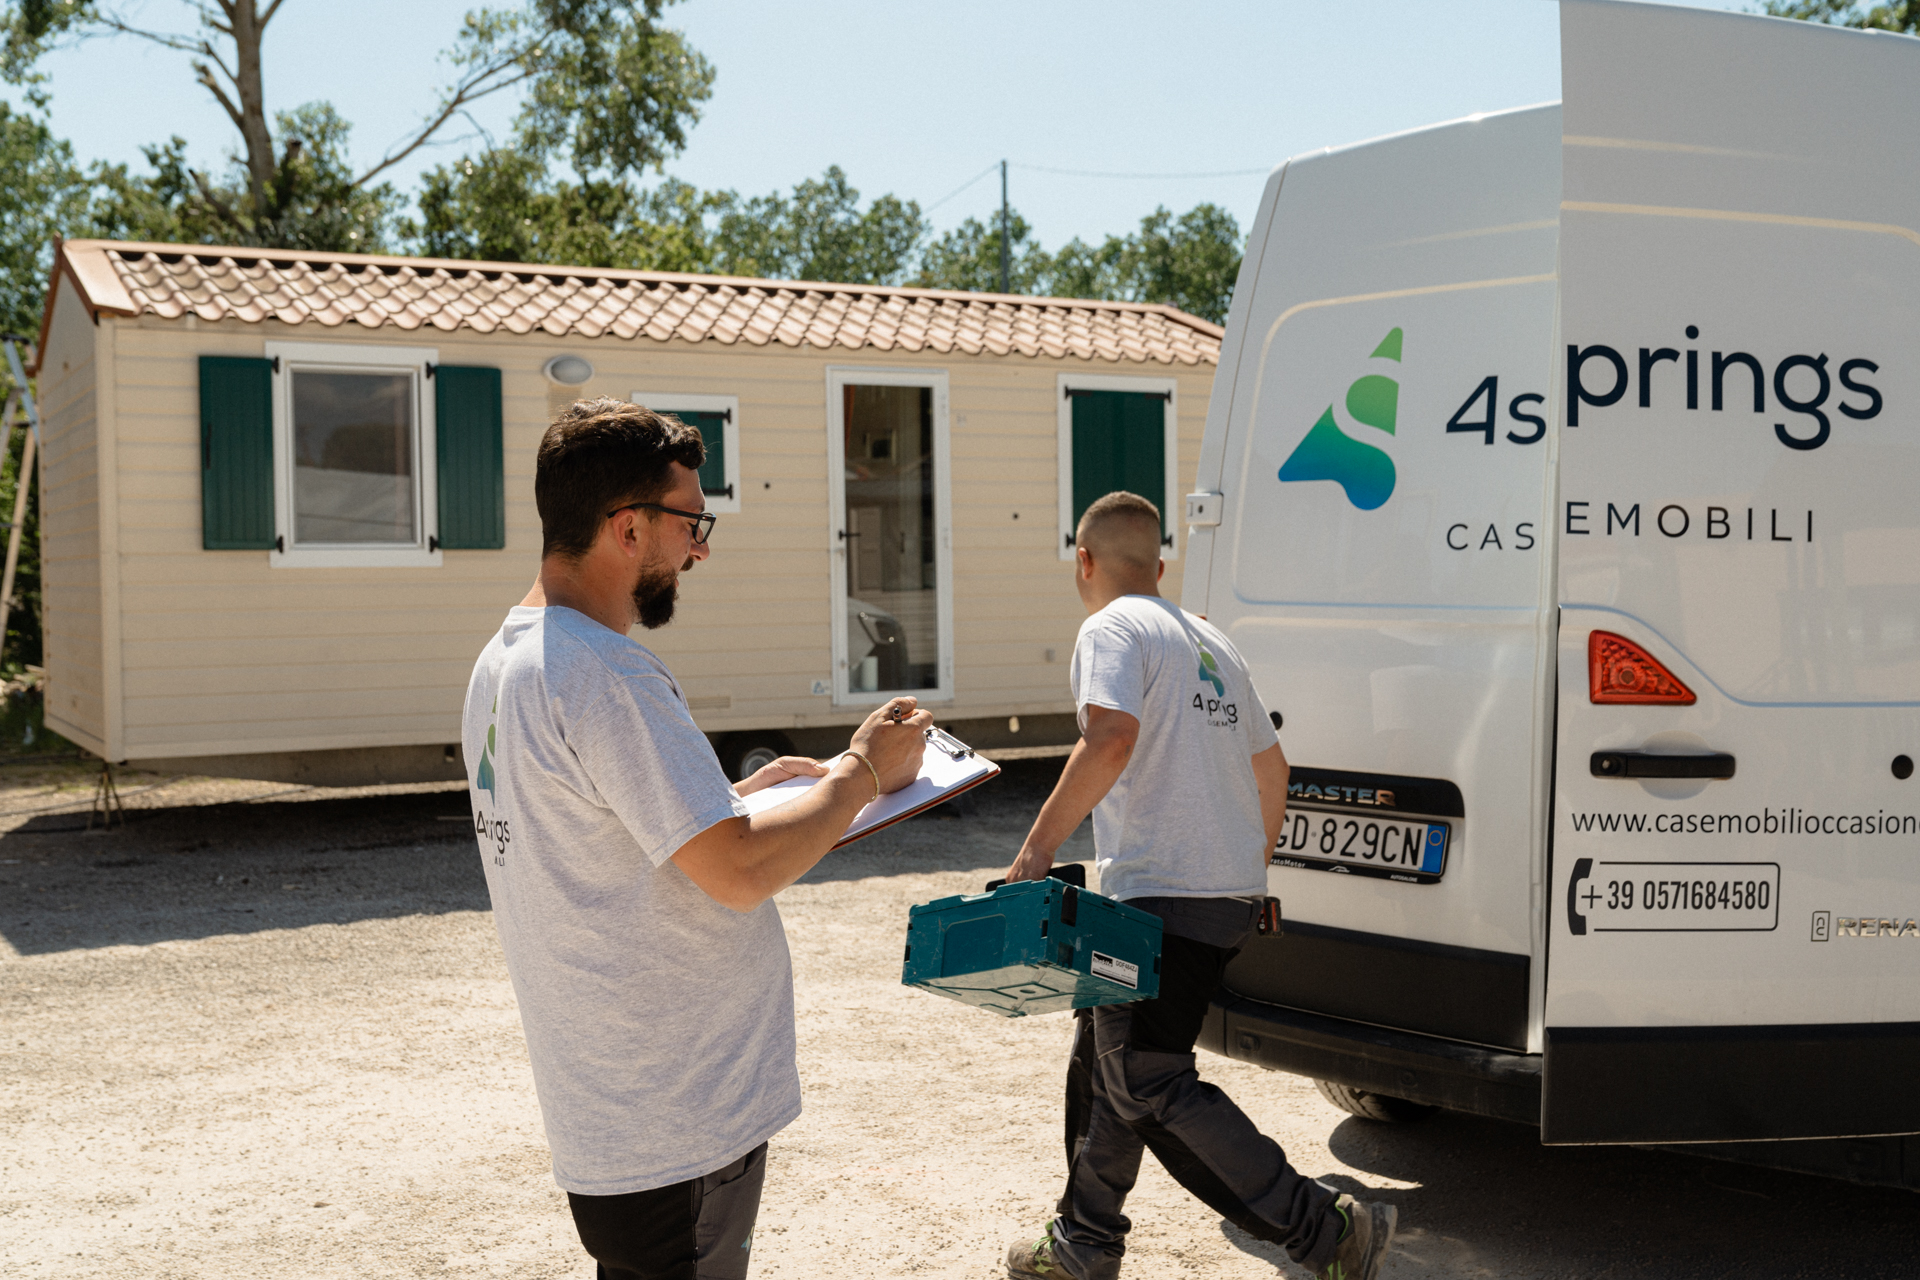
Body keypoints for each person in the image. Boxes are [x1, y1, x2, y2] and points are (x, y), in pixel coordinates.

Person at [462, 398, 931, 1280]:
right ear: (627, 528)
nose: (702, 546)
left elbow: (597, 833)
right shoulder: (603, 671)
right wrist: (861, 772)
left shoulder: (509, 658)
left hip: (617, 1111)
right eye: (691, 520)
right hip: (675, 1120)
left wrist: (723, 797)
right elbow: (739, 869)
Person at [998, 491, 1397, 1280]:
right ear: (1161, 563)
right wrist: (1252, 867)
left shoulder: (1110, 627)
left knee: (1145, 1076)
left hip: (1160, 894)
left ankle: (1323, 1228)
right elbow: (1273, 768)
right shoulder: (1212, 641)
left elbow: (1111, 737)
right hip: (1218, 894)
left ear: (1084, 561)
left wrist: (1036, 850)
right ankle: (1083, 1241)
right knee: (1109, 1062)